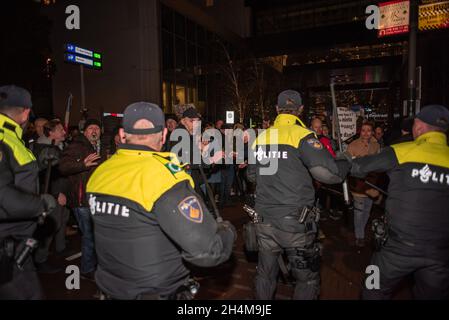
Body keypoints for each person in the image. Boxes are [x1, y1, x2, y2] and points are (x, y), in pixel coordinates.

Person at [86, 102, 236, 300]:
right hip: (155, 291)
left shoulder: (100, 173)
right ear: (164, 135)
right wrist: (227, 232)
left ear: (123, 135)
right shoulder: (164, 176)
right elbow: (208, 250)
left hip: (111, 287)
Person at [247, 89, 351, 300]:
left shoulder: (262, 137)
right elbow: (329, 174)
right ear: (300, 110)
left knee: (265, 275)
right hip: (295, 224)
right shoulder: (303, 136)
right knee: (307, 279)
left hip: (264, 220)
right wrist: (344, 161)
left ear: (277, 109)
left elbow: (251, 176)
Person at [351, 105, 449, 300]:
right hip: (441, 252)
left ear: (419, 127)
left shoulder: (401, 151)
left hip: (396, 248)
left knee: (372, 289)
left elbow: (358, 167)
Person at [0, 85, 56, 299]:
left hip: (17, 243)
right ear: (25, 112)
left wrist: (41, 163)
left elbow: (13, 174)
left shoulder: (10, 136)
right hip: (7, 246)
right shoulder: (3, 136)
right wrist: (40, 204)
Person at [59, 118, 105, 280]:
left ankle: (92, 266)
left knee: (94, 234)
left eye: (97, 128)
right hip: (82, 199)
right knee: (89, 235)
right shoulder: (77, 145)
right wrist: (82, 164)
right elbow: (63, 166)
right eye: (91, 128)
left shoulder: (99, 146)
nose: (94, 130)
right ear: (84, 132)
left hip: (94, 198)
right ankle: (87, 269)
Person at [32, 119, 71, 272]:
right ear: (51, 133)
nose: (64, 132)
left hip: (62, 192)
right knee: (50, 226)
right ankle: (40, 259)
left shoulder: (58, 146)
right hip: (51, 196)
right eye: (60, 129)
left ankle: (60, 248)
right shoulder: (42, 150)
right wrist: (55, 195)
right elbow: (43, 177)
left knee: (62, 220)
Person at [346, 121, 380, 247]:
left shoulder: (376, 145)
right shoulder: (353, 145)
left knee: (367, 210)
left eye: (369, 130)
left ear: (372, 132)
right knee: (359, 212)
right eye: (364, 130)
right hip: (358, 184)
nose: (366, 133)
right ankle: (359, 236)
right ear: (360, 131)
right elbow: (348, 165)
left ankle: (360, 232)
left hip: (372, 184)